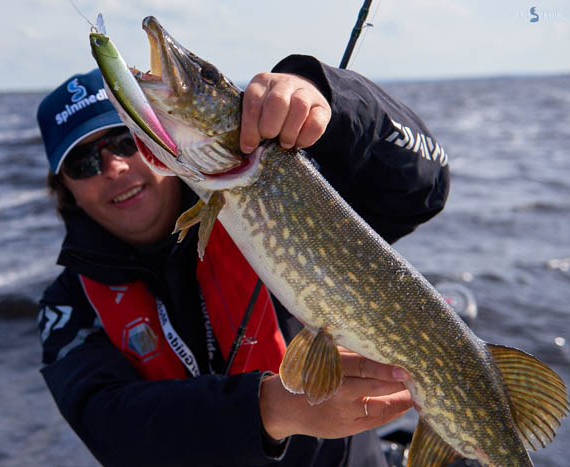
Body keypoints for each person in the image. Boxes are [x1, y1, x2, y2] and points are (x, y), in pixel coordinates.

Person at [36, 54, 450, 467]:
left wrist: (331, 98)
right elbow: (109, 426)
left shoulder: (263, 198)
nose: (113, 168)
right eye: (84, 164)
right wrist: (269, 409)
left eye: (125, 141)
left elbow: (424, 188)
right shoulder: (69, 303)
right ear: (65, 189)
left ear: (158, 138)